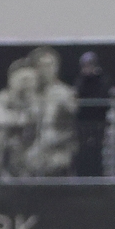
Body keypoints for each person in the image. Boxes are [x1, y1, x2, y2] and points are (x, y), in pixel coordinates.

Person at [25, 46, 78, 176]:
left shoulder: (64, 93)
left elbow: (73, 116)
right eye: (43, 66)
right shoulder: (28, 93)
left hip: (58, 149)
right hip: (30, 149)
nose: (48, 70)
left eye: (51, 65)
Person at [73, 51, 112, 176]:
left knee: (97, 150)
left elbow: (103, 98)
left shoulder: (102, 79)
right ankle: (82, 176)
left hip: (98, 121)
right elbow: (78, 94)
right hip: (83, 122)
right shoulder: (80, 80)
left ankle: (98, 176)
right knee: (83, 150)